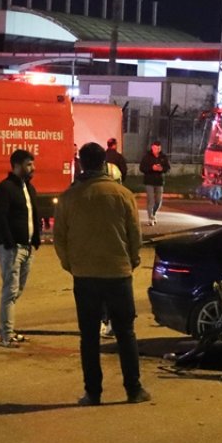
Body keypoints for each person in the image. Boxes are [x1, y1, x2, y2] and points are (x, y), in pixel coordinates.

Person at [55, 142, 150, 406]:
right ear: (104, 164)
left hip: (84, 275)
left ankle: (93, 392)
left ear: (82, 163)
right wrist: (130, 261)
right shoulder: (122, 194)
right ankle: (134, 389)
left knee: (88, 335)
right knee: (125, 333)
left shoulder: (69, 197)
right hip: (117, 273)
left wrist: (70, 264)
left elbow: (60, 237)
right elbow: (135, 235)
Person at [0, 149, 42, 348]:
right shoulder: (4, 189)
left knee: (17, 290)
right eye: (29, 164)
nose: (33, 168)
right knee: (10, 291)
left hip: (27, 248)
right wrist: (8, 243)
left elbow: (33, 215)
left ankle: (8, 330)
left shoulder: (29, 188)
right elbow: (0, 218)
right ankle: (7, 334)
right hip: (12, 249)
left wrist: (36, 238)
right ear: (17, 165)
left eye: (32, 164)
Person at [138, 140, 171, 225]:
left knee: (158, 201)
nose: (158, 149)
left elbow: (167, 168)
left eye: (159, 148)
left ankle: (153, 213)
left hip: (159, 181)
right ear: (152, 147)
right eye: (156, 148)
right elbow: (142, 168)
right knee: (151, 200)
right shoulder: (147, 157)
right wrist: (151, 168)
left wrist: (161, 169)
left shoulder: (163, 157)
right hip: (149, 181)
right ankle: (150, 218)